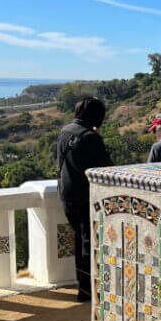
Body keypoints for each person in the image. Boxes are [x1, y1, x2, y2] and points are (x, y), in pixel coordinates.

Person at [57, 97, 112, 301]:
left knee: (80, 240)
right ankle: (87, 290)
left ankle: (84, 287)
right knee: (90, 242)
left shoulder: (65, 131)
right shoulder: (90, 137)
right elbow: (107, 168)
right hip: (86, 196)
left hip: (66, 194)